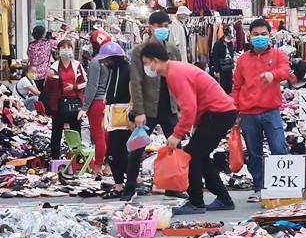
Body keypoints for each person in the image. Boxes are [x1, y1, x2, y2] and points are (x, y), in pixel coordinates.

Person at [141, 43, 238, 215]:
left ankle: (196, 202)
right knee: (200, 156)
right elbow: (195, 103)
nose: (146, 67)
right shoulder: (176, 70)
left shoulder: (174, 74)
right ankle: (223, 198)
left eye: (146, 63)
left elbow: (189, 108)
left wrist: (177, 135)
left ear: (155, 61)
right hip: (218, 114)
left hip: (218, 114)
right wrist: (194, 127)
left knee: (190, 156)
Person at [232, 19, 292, 203]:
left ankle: (284, 188)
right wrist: (234, 111)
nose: (259, 38)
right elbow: (237, 86)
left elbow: (286, 70)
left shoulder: (278, 54)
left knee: (279, 148)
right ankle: (259, 188)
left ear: (270, 35)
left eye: (263, 34)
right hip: (248, 113)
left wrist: (272, 75)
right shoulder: (242, 60)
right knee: (254, 153)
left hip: (270, 111)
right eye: (256, 34)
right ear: (249, 36)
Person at [130, 11, 184, 198]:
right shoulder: (139, 51)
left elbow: (179, 80)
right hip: (148, 108)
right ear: (151, 27)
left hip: (169, 107)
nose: (163, 29)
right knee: (137, 147)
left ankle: (175, 187)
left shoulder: (172, 50)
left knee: (176, 148)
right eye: (159, 26)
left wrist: (178, 108)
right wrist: (138, 111)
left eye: (166, 26)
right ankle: (130, 186)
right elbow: (136, 82)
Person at [97, 42, 139, 200]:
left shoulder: (128, 70)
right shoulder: (113, 71)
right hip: (112, 117)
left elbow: (134, 94)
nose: (105, 63)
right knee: (114, 154)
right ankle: (119, 185)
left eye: (107, 60)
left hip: (124, 117)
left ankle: (126, 185)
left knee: (119, 153)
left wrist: (133, 115)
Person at [44, 39, 87, 160]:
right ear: (58, 51)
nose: (66, 50)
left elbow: (85, 82)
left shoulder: (77, 65)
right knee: (56, 133)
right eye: (63, 47)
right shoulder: (53, 68)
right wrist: (49, 78)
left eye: (69, 47)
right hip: (58, 104)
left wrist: (74, 87)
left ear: (73, 50)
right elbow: (47, 88)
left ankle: (76, 158)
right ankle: (55, 159)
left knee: (76, 131)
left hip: (74, 103)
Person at [79, 30, 113, 175]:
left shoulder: (95, 62)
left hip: (97, 104)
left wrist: (84, 107)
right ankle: (109, 167)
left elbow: (92, 86)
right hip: (109, 103)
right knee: (108, 136)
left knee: (98, 136)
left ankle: (98, 167)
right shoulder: (112, 62)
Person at [211, 26, 236, 94]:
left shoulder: (230, 43)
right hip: (221, 67)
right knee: (223, 84)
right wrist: (217, 70)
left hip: (229, 66)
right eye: (229, 37)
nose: (230, 39)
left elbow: (231, 54)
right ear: (225, 35)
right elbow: (215, 57)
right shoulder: (217, 44)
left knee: (229, 84)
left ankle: (229, 96)